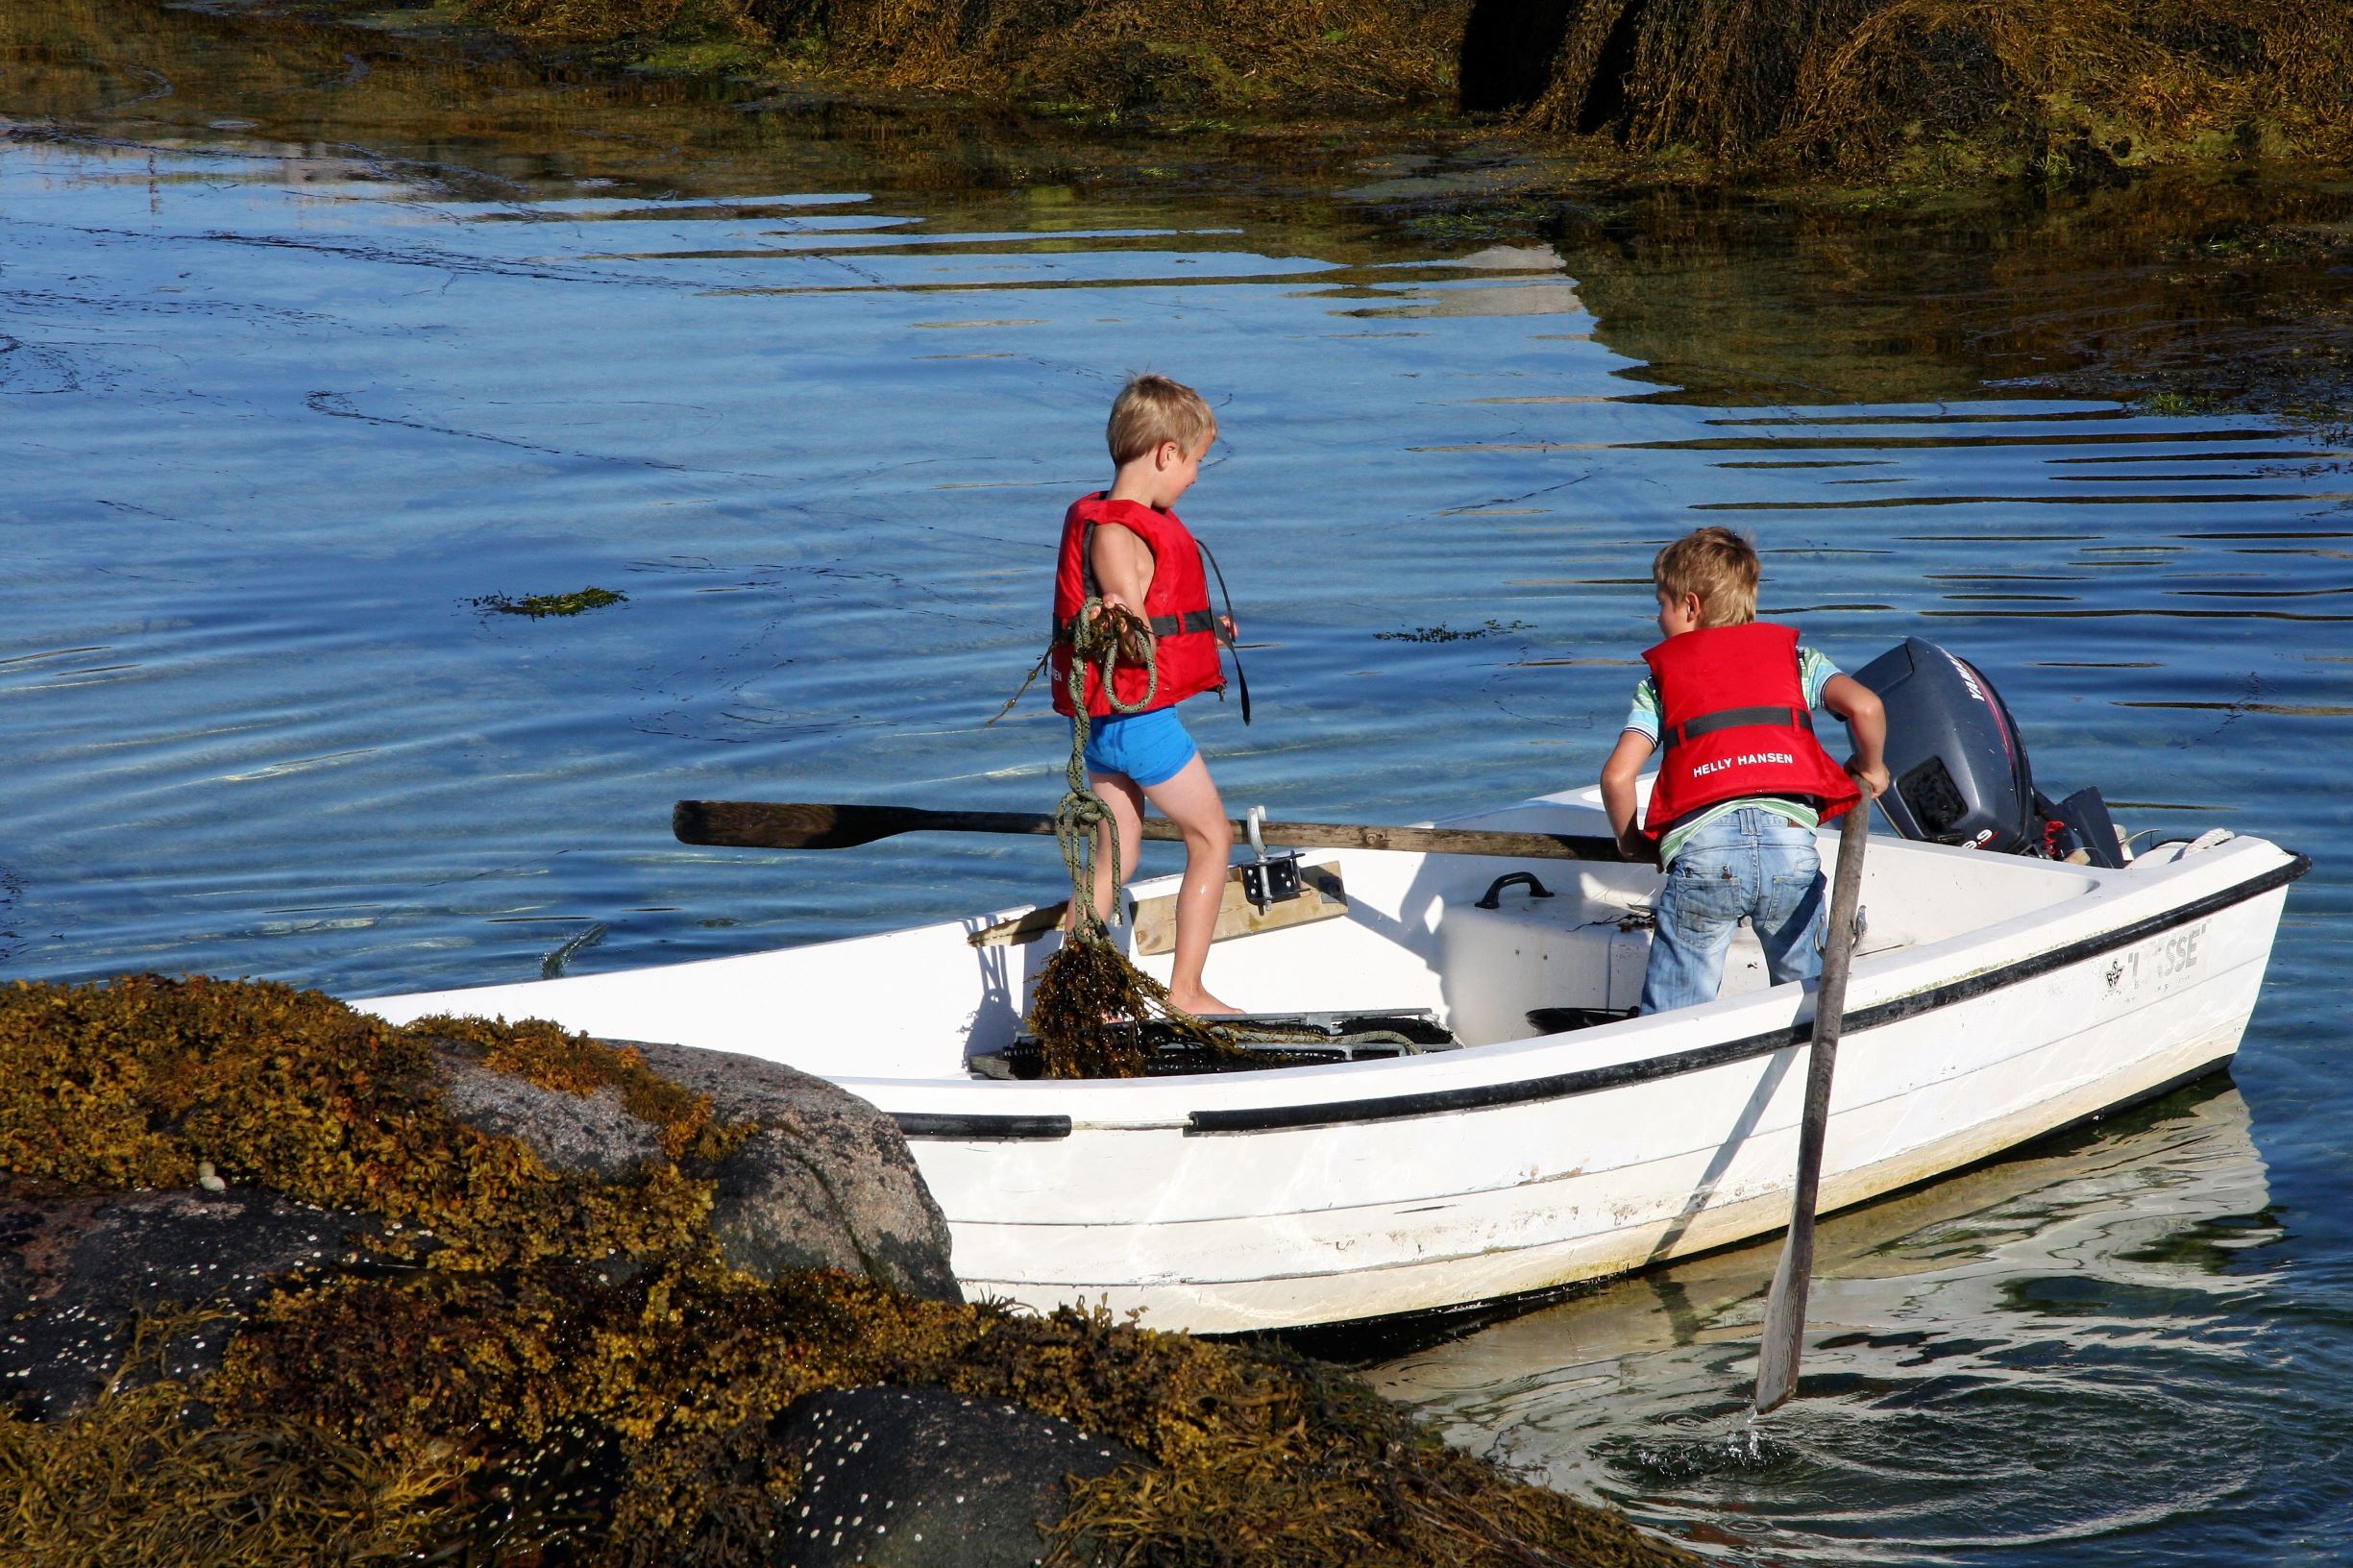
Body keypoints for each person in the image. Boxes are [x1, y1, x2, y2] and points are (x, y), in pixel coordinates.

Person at [1598, 527, 1891, 1016]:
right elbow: (1865, 707)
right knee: (1810, 1000)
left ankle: (1674, 1075)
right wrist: (1871, 766)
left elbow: (1617, 777)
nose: (1658, 616)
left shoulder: (1659, 684)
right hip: (1789, 854)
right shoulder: (1799, 662)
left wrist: (1630, 842)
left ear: (1690, 606)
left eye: (1661, 603)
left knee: (1674, 1015)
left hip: (1706, 860)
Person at [1050, 373, 1240, 1017]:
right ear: (1165, 454)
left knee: (1117, 852)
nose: (1193, 478)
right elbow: (1131, 634)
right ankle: (1186, 992)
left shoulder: (1110, 520)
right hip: (1140, 723)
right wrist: (1126, 625)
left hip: (1106, 723)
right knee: (1212, 837)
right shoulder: (1117, 533)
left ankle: (1075, 989)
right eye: (1195, 462)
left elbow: (1144, 615)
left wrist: (1198, 627)